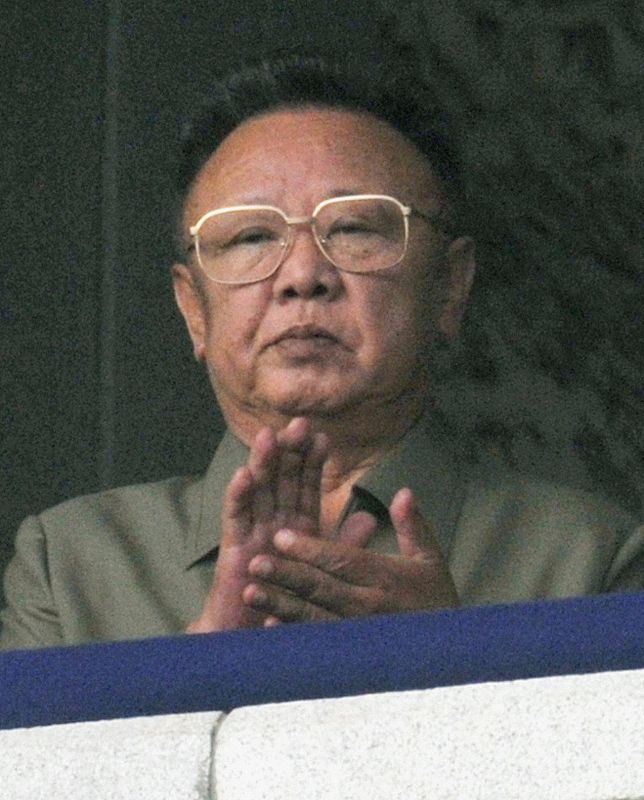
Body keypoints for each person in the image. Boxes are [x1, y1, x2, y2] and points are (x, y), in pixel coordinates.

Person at [1, 54, 642, 650]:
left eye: (355, 228)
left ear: (449, 288)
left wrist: (451, 666)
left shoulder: (589, 557)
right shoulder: (71, 565)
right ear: (193, 309)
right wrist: (200, 666)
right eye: (251, 236)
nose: (302, 274)